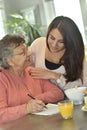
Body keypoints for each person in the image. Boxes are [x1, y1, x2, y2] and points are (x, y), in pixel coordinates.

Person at [0, 34, 64, 124]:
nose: (29, 53)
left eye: (27, 49)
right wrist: (27, 108)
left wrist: (35, 100)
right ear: (9, 61)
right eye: (23, 53)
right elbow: (1, 115)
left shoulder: (32, 72)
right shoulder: (2, 80)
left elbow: (58, 93)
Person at [29, 16, 85, 90]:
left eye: (61, 41)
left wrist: (55, 76)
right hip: (41, 99)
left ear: (69, 42)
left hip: (68, 101)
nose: (54, 45)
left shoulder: (76, 54)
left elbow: (82, 88)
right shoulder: (38, 44)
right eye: (52, 38)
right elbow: (26, 72)